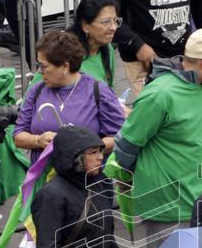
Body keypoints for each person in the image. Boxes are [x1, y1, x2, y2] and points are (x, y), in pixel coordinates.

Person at [113, 28, 202, 248]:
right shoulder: (160, 95)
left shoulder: (201, 86)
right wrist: (126, 180)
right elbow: (127, 144)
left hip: (198, 202)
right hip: (167, 210)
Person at [14, 31, 126, 162]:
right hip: (43, 177)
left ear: (65, 67)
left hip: (85, 177)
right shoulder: (37, 90)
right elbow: (18, 136)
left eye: (44, 66)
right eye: (39, 65)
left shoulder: (98, 91)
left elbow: (119, 137)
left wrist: (86, 149)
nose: (40, 71)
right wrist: (38, 141)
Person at [68, 0, 121, 90]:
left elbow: (110, 92)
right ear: (85, 26)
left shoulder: (106, 48)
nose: (113, 27)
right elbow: (32, 96)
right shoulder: (63, 53)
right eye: (106, 22)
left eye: (115, 21)